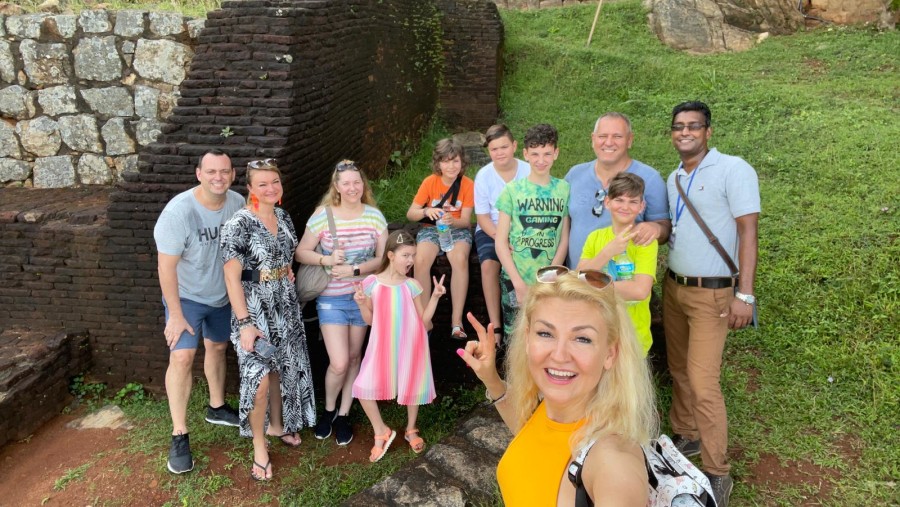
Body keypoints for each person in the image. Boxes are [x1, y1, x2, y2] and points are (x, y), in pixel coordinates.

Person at [457, 266, 657, 505]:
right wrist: (491, 378)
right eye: (545, 333)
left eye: (582, 338)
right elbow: (530, 435)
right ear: (528, 337)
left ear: (610, 353)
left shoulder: (613, 463)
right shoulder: (552, 409)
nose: (560, 355)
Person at [664, 101, 760, 507]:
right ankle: (685, 434)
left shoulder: (733, 169)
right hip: (674, 288)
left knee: (704, 383)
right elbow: (679, 226)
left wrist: (745, 294)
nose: (685, 132)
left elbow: (748, 231)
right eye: (678, 126)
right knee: (679, 368)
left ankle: (718, 471)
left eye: (694, 126)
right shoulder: (674, 177)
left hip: (715, 294)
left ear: (708, 131)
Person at [220, 159, 316, 481]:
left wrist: (284, 270)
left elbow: (285, 255)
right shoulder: (239, 224)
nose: (271, 188)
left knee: (282, 369)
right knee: (259, 378)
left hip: (284, 304)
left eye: (275, 182)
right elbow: (231, 277)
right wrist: (245, 322)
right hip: (253, 310)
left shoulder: (284, 216)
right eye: (262, 184)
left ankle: (280, 425)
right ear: (249, 188)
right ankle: (259, 445)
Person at [153, 149, 244, 475]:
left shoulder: (236, 203)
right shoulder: (179, 213)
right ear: (199, 174)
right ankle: (179, 433)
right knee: (181, 356)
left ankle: (217, 407)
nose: (218, 177)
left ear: (232, 174)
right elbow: (166, 267)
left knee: (218, 347)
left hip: (221, 295)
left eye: (224, 171)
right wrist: (175, 314)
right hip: (187, 297)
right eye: (211, 172)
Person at [295, 160, 388, 445]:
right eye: (346, 183)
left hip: (362, 297)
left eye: (356, 182)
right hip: (332, 299)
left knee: (353, 358)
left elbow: (383, 259)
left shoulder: (374, 216)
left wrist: (355, 271)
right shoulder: (323, 216)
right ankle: (329, 410)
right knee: (338, 362)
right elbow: (301, 253)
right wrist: (325, 259)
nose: (352, 188)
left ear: (363, 185)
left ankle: (345, 413)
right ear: (336, 187)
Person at [352, 230, 445, 462]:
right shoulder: (371, 283)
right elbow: (370, 321)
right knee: (363, 386)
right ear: (391, 255)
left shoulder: (411, 285)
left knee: (411, 382)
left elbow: (423, 321)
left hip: (412, 342)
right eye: (406, 255)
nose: (411, 260)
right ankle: (381, 430)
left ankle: (411, 428)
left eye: (413, 255)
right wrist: (363, 304)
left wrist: (435, 296)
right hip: (382, 342)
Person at [564, 112, 670, 268]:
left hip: (623, 283)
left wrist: (656, 228)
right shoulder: (575, 175)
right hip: (576, 282)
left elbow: (664, 227)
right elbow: (561, 224)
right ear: (593, 139)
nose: (608, 142)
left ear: (629, 140)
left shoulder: (650, 179)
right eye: (602, 136)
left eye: (617, 137)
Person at [495, 124, 570, 337]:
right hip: (514, 276)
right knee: (516, 335)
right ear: (525, 154)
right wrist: (518, 283)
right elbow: (500, 242)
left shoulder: (564, 189)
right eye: (535, 154)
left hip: (549, 279)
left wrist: (552, 274)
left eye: (547, 153)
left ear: (556, 153)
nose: (541, 160)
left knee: (546, 333)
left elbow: (563, 238)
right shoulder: (512, 190)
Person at [577, 172, 658, 356]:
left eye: (633, 201)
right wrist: (608, 251)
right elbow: (578, 276)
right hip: (597, 334)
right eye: (619, 200)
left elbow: (640, 290)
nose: (625, 207)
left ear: (641, 206)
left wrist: (592, 285)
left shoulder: (645, 241)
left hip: (633, 337)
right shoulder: (595, 237)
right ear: (607, 202)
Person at [405, 139, 475, 339]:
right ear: (438, 163)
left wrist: (451, 220)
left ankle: (456, 321)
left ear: (462, 163)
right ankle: (424, 318)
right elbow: (411, 214)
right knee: (420, 260)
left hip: (456, 230)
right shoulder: (430, 182)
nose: (451, 166)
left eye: (455, 161)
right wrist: (427, 210)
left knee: (459, 259)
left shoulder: (468, 185)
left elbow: (465, 221)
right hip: (432, 229)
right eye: (446, 161)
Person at [473, 124, 531, 341]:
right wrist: (501, 238)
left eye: (504, 147)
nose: (499, 153)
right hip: (492, 230)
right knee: (488, 266)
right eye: (494, 149)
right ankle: (496, 327)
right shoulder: (484, 176)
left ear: (514, 146)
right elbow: (482, 216)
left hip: (523, 228)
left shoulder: (528, 170)